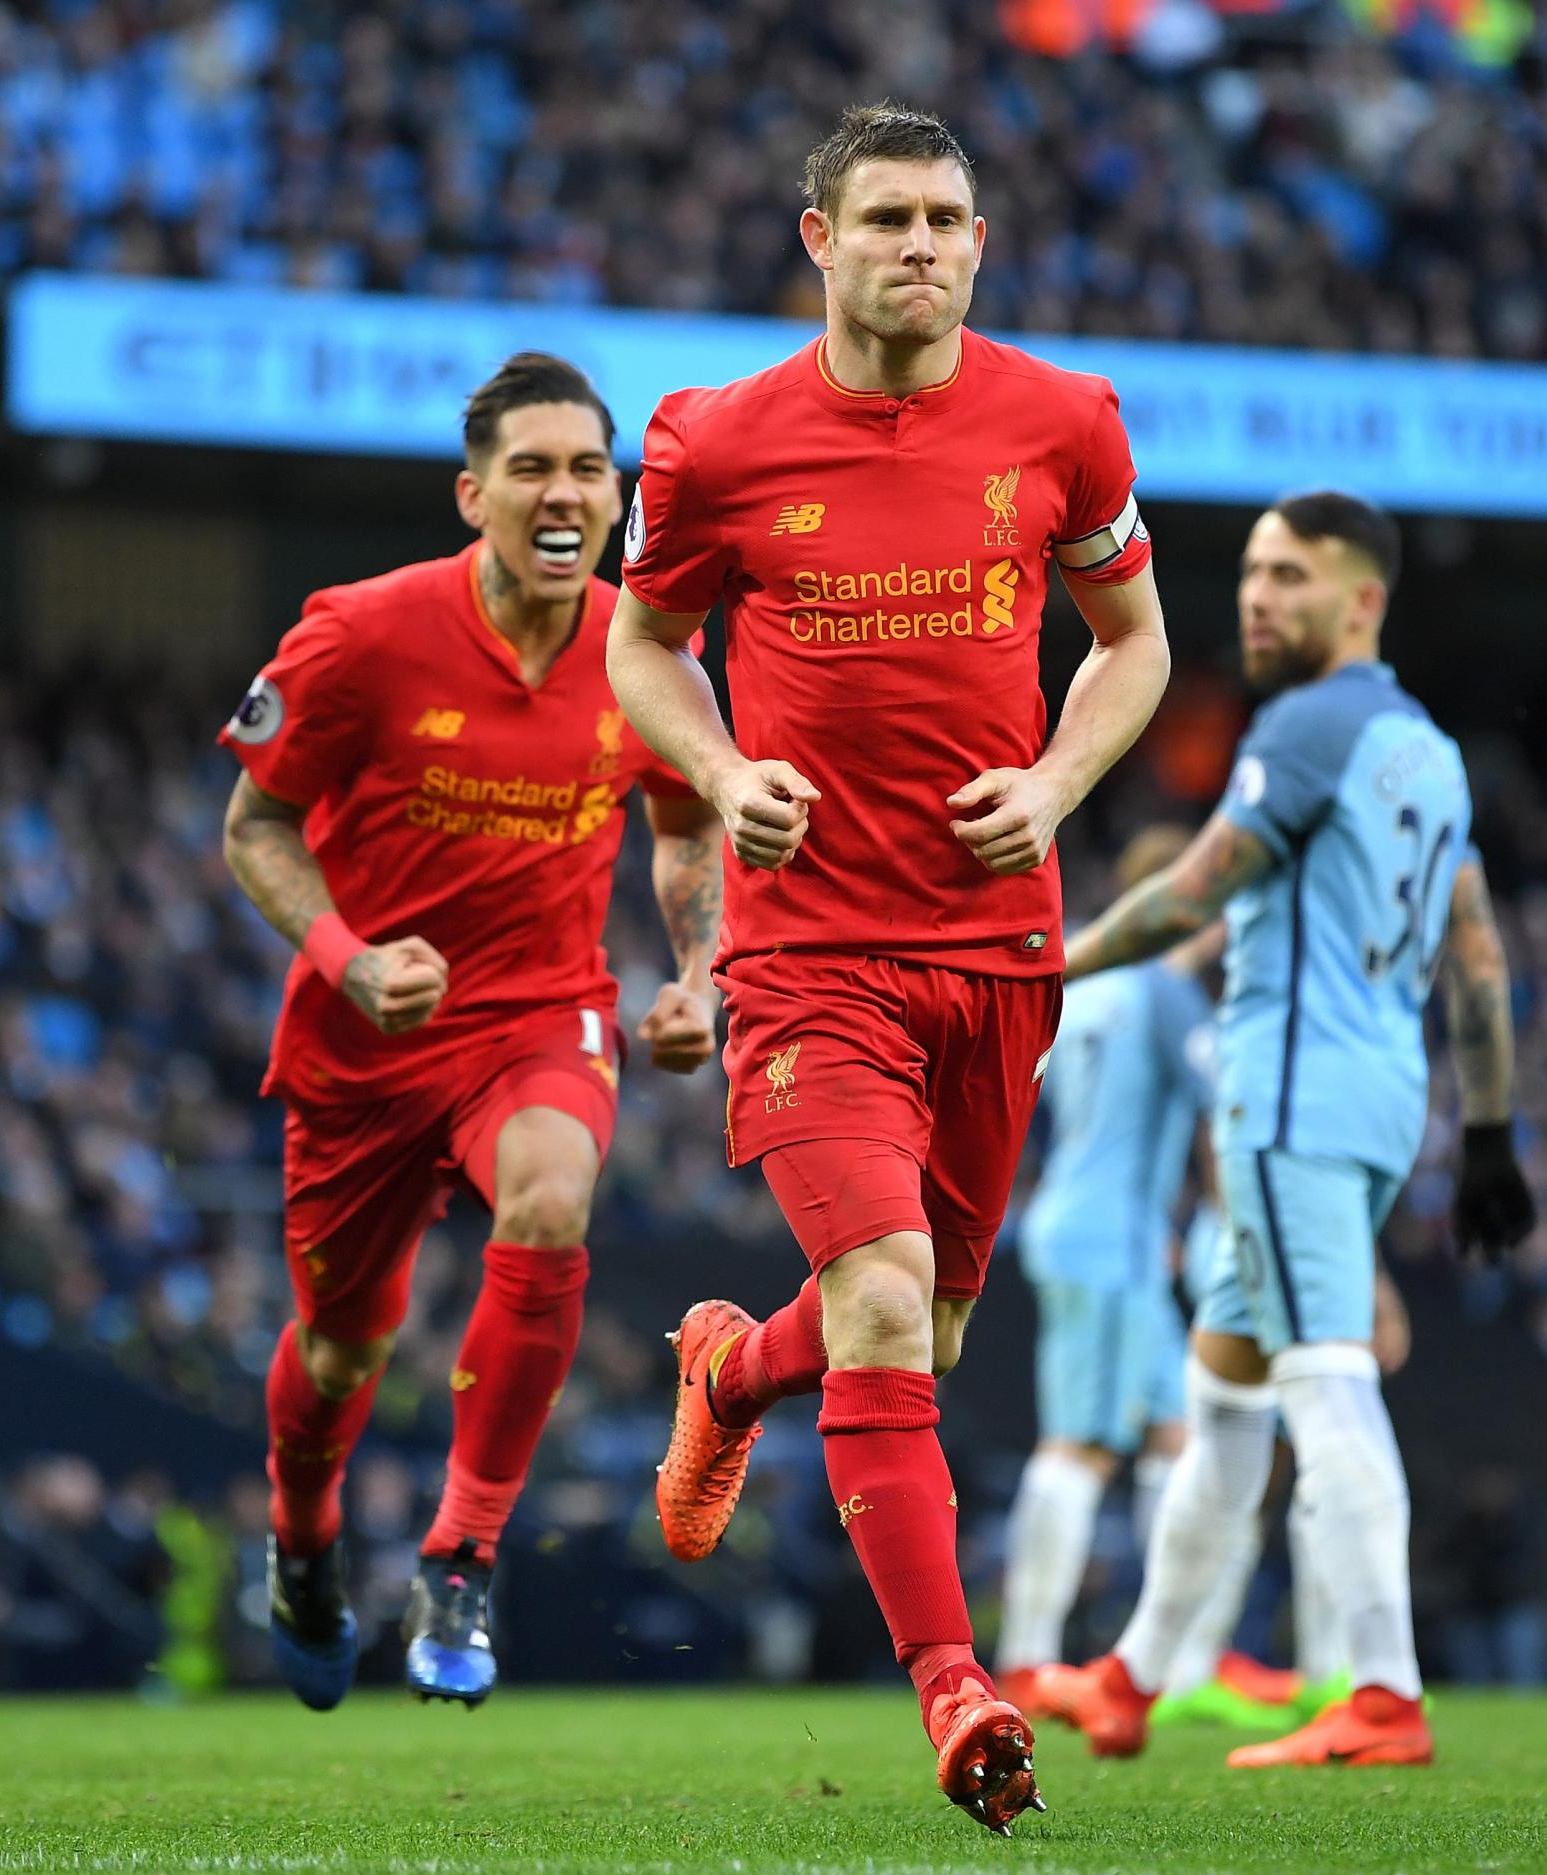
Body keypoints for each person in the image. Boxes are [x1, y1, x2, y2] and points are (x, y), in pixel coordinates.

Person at [607, 102, 1170, 1830]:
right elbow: (644, 644)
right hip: (812, 951)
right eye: (889, 219)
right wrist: (718, 772)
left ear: (978, 245)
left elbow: (1134, 644)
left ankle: (732, 1374)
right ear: (820, 240)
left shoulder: (1063, 423)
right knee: (881, 1303)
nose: (920, 245)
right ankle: (956, 1689)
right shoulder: (714, 444)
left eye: (947, 219)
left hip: (999, 951)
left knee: (911, 1330)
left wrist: (1060, 784)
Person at [219, 350, 726, 1710]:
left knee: (552, 1199)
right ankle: (306, 1532)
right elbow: (253, 825)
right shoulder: (362, 634)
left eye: (588, 469)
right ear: (473, 495)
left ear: (618, 496)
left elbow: (690, 836)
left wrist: (698, 972)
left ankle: (462, 1548)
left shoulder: (649, 655)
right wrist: (345, 953)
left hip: (536, 1015)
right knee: (341, 1347)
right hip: (364, 1040)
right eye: (533, 469)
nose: (565, 494)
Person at [1034, 490, 1534, 1769]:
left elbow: (1187, 895)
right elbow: (1473, 952)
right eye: (1252, 572)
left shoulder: (1309, 725)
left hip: (1289, 1091)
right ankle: (1134, 1678)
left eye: (1288, 577)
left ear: (1360, 600)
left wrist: (1050, 966)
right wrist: (1483, 1134)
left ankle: (1380, 1691)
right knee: (1223, 1389)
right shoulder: (1426, 749)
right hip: (1373, 1097)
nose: (1256, 597)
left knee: (1322, 1374)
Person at [995, 828, 1211, 1708]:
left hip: (1088, 1223)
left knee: (1176, 1438)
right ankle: (1027, 1656)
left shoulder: (1082, 984)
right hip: (1112, 1241)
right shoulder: (1162, 988)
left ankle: (1170, 1662)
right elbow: (1219, 1112)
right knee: (1081, 1445)